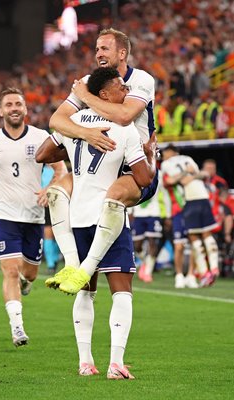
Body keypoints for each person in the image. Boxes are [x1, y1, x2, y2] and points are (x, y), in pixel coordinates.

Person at [36, 67, 157, 379]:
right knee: (122, 292)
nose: (124, 90)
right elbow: (143, 179)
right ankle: (116, 363)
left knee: (85, 293)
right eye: (119, 86)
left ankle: (85, 362)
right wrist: (150, 156)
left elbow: (42, 153)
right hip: (110, 218)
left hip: (77, 218)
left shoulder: (72, 122)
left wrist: (72, 137)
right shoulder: (125, 128)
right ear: (103, 94)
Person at [41, 28, 159, 289]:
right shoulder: (88, 80)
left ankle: (87, 267)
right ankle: (72, 264)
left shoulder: (141, 80)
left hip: (132, 165)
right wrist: (87, 134)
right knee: (56, 194)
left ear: (122, 52)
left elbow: (125, 116)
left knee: (113, 196)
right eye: (96, 49)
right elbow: (55, 120)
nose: (98, 54)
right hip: (100, 163)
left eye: (104, 48)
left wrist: (85, 97)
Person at [0, 87, 66, 347]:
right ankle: (17, 328)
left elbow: (60, 169)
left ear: (25, 109)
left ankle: (27, 282)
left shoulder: (41, 137)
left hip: (34, 216)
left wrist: (50, 188)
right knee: (10, 271)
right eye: (9, 104)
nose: (14, 108)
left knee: (30, 274)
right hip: (3, 215)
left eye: (18, 104)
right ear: (1, 110)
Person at [161, 144, 219, 287]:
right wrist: (191, 174)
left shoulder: (168, 165)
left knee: (196, 239)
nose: (163, 155)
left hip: (189, 204)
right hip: (178, 209)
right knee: (181, 244)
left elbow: (186, 179)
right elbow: (169, 182)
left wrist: (188, 175)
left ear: (173, 152)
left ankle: (195, 274)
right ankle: (181, 275)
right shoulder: (175, 166)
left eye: (165, 152)